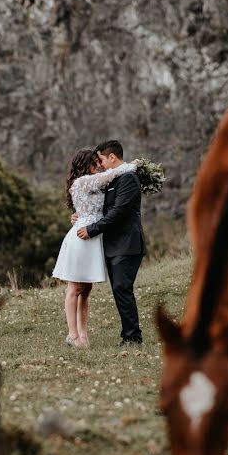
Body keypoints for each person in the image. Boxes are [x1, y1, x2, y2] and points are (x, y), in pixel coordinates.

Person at [53, 149, 138, 348]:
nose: (98, 165)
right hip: (82, 236)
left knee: (87, 289)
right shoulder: (82, 182)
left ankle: (83, 335)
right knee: (74, 288)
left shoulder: (94, 182)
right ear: (84, 164)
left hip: (93, 236)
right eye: (94, 162)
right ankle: (73, 335)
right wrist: (133, 166)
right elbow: (111, 174)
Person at [76, 140, 146, 346]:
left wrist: (92, 229)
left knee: (122, 288)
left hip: (127, 244)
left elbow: (119, 212)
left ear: (112, 157)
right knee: (119, 289)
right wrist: (80, 218)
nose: (101, 165)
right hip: (114, 245)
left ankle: (133, 337)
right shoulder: (113, 180)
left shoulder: (129, 179)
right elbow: (103, 209)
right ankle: (129, 334)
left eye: (102, 160)